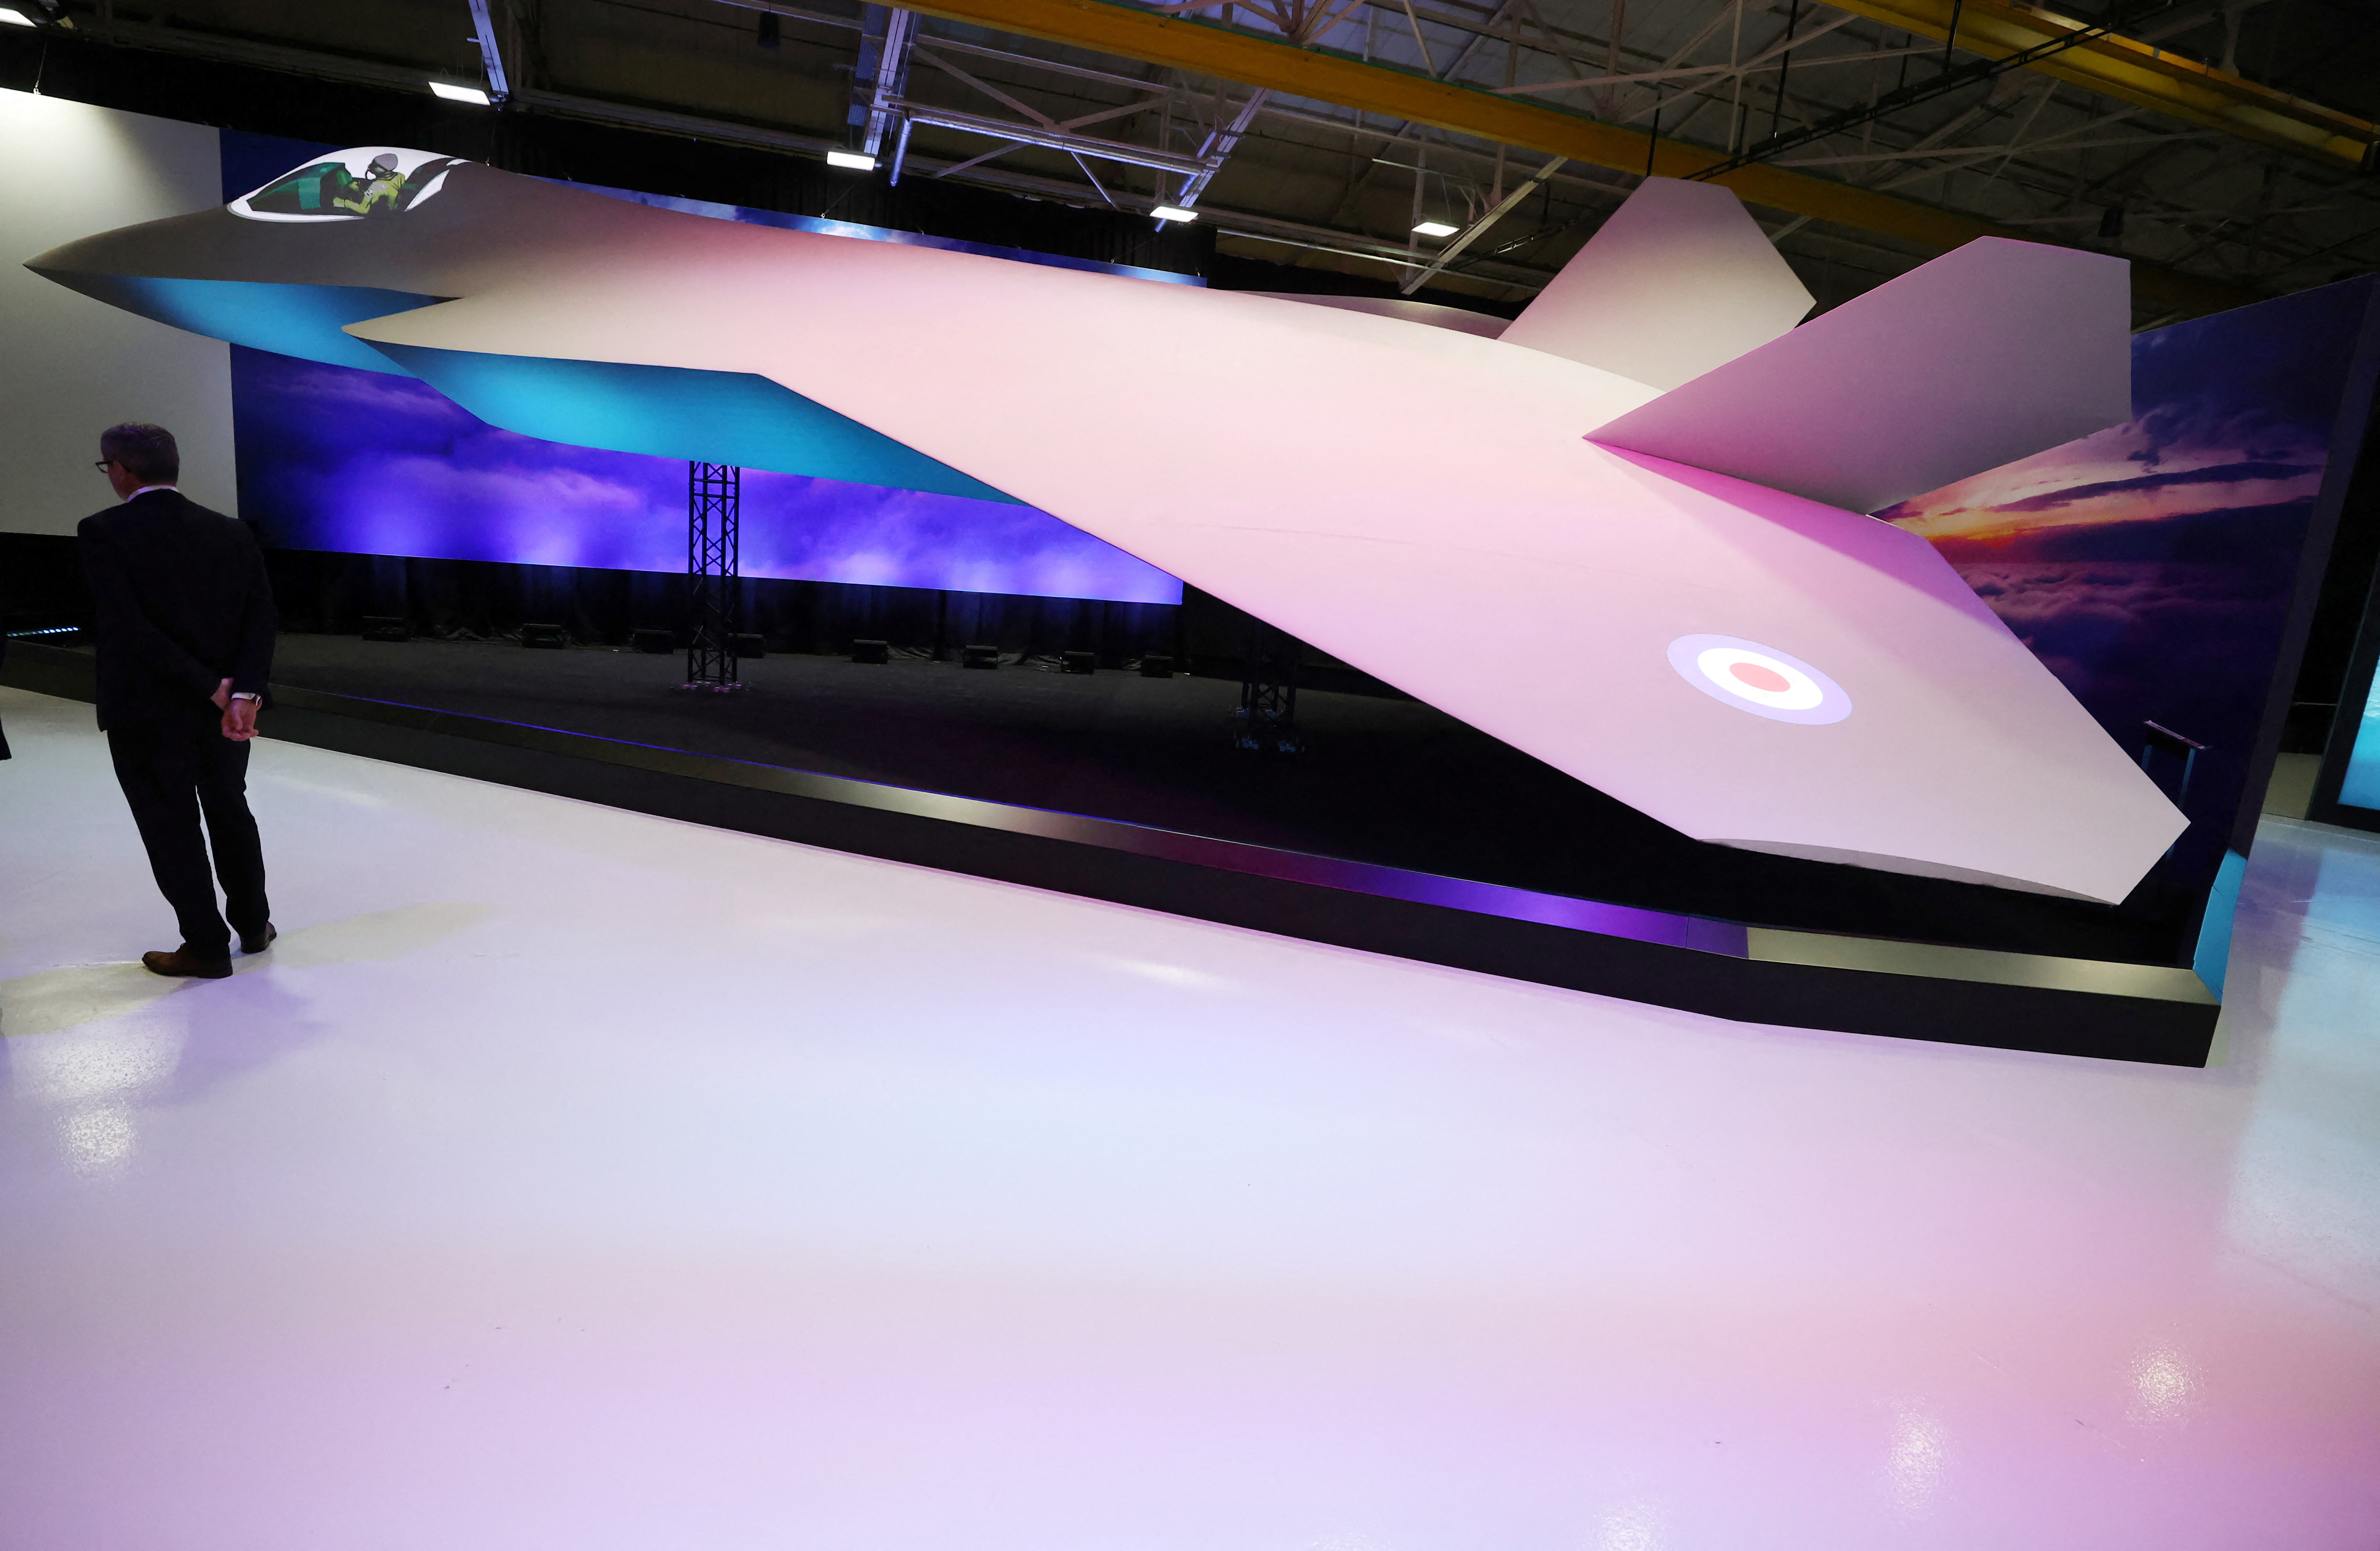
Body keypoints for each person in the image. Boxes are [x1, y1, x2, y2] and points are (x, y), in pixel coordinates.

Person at [78, 423, 277, 979]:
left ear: (121, 470)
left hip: (147, 710)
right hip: (225, 713)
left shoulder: (102, 531)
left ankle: (207, 947)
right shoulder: (232, 532)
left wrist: (210, 687)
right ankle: (254, 926)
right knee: (229, 810)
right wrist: (242, 693)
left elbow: (128, 628)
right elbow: (260, 618)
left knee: (171, 826)